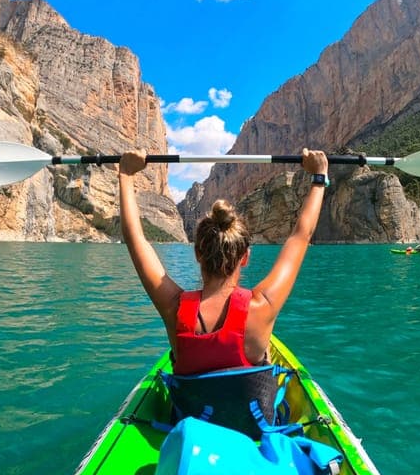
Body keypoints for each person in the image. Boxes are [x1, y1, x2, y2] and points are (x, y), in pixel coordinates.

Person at [118, 148, 329, 375]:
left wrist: (126, 175)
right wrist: (319, 177)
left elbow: (135, 239)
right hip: (249, 410)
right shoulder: (263, 305)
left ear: (198, 254)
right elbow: (301, 236)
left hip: (190, 411)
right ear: (245, 257)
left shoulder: (173, 307)